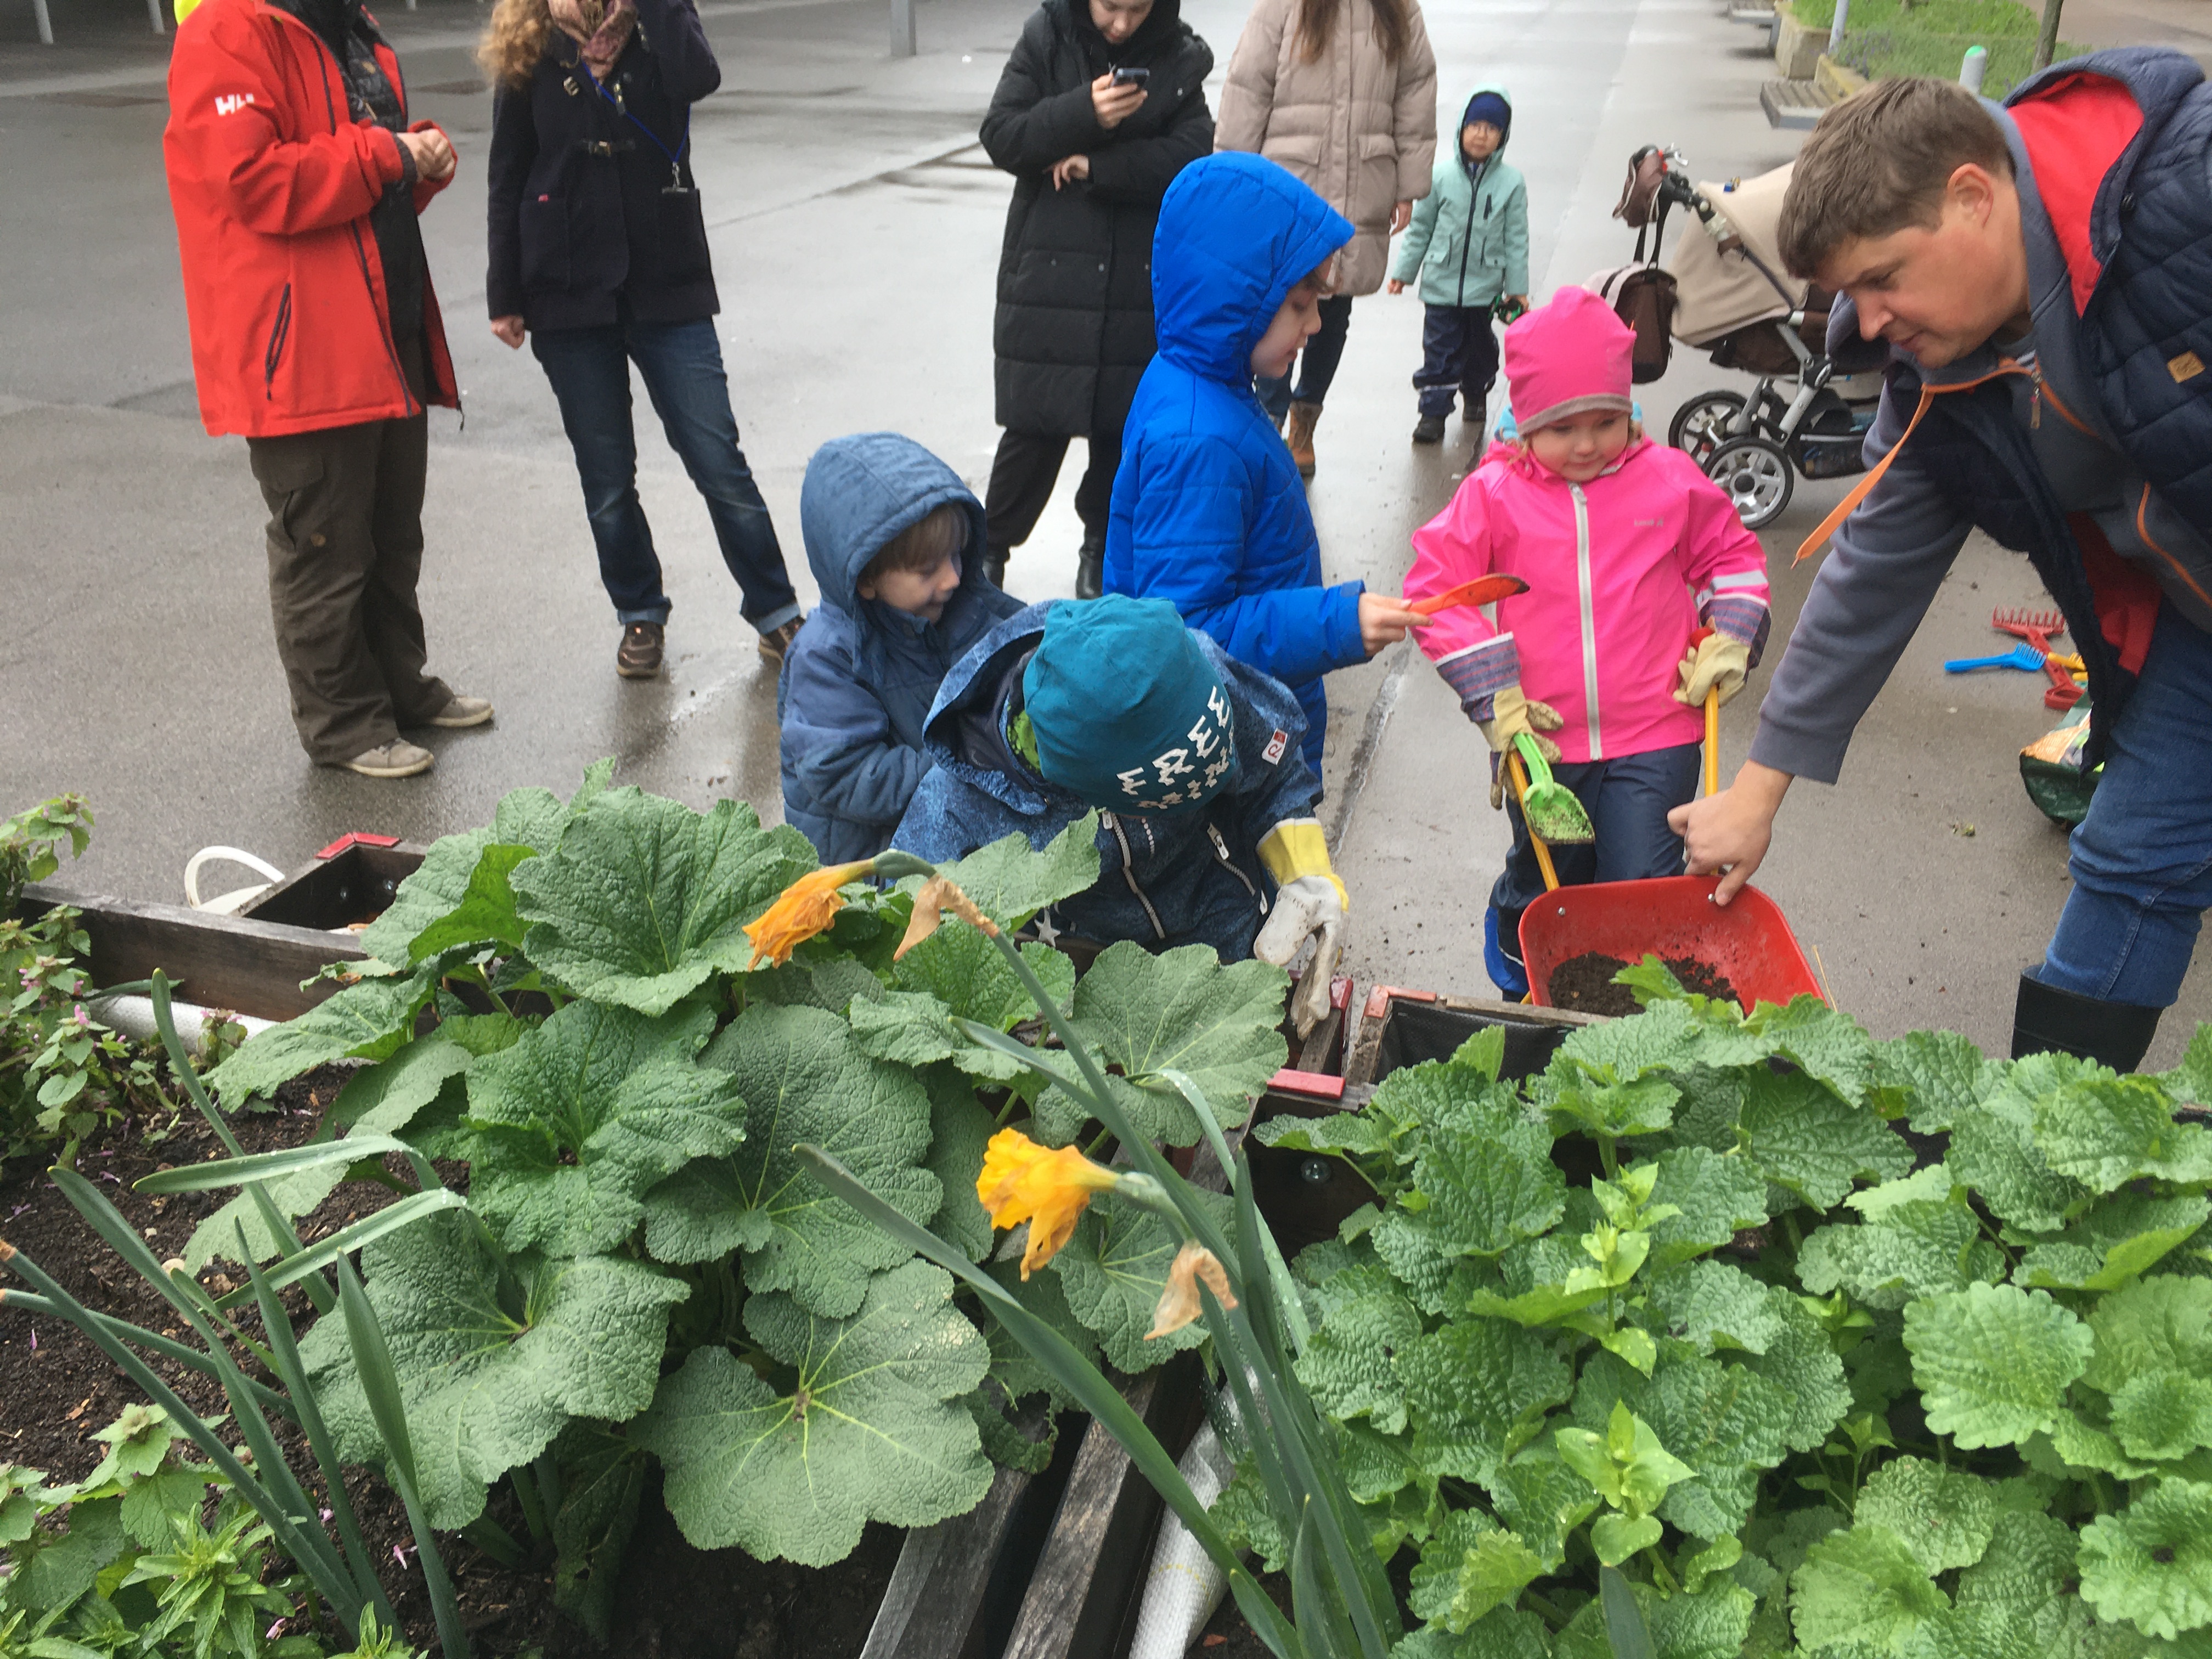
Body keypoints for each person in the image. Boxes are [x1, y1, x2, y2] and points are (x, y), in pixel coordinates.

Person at [1671, 57, 2212, 1071]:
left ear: (1972, 196)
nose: (1869, 323)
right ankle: (2047, 1155)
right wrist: (1758, 788)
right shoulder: (1936, 370)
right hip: (2196, 616)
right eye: (1847, 293)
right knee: (2127, 855)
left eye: (1882, 279)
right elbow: (1872, 565)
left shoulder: (2186, 193)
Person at [1406, 288, 1770, 998]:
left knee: (1641, 881)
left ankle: (1624, 1003)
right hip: (1543, 743)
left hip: (1658, 732)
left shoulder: (1668, 480)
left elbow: (1731, 555)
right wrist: (1492, 693)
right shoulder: (1493, 496)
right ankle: (1524, 973)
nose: (1585, 444)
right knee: (1549, 876)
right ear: (1524, 421)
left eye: (1606, 421)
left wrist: (1730, 635)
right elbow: (1437, 593)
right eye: (1560, 426)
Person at [163, 0, 490, 779]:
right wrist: (387, 156)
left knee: (390, 532)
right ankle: (342, 724)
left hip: (384, 327)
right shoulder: (228, 31)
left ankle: (398, 688)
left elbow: (355, 181)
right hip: (302, 348)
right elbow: (254, 182)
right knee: (323, 547)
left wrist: (416, 165)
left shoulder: (350, 26)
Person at [482, 0, 804, 681]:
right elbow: (508, 172)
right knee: (606, 478)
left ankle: (776, 612)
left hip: (667, 280)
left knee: (717, 457)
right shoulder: (532, 42)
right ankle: (640, 611)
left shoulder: (659, 30)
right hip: (566, 286)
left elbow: (700, 78)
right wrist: (504, 292)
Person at [1104, 154, 1429, 781]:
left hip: (1248, 732)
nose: (1313, 326)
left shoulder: (1205, 382)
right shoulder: (1200, 439)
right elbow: (1189, 635)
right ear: (1238, 301)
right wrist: (1334, 623)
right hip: (1233, 756)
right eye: (1301, 306)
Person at [895, 595, 1350, 1031]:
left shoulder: (1189, 669)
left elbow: (1274, 773)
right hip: (1086, 986)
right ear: (1090, 793)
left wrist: (1307, 874)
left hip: (1224, 930)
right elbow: (907, 941)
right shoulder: (956, 809)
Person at [980, 0, 1216, 600]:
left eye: (1137, 10)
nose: (1120, 24)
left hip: (1134, 285)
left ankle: (1100, 555)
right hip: (1051, 281)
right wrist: (1083, 111)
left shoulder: (1180, 57)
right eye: (1111, 6)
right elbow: (1003, 134)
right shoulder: (1046, 36)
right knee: (1032, 432)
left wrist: (1098, 164)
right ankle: (988, 554)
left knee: (1118, 432)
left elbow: (1191, 155)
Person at [779, 433, 1025, 863]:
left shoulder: (963, 609)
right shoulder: (826, 658)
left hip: (950, 825)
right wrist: (967, 759)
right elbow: (844, 775)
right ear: (866, 580)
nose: (951, 579)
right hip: (873, 861)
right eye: (928, 569)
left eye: (957, 556)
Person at [1215, 0, 1436, 477]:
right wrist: (1232, 176)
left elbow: (1415, 91)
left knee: (1333, 311)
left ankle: (1305, 419)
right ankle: (1267, 416)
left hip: (1362, 182)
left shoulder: (1397, 9)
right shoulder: (1283, 6)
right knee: (1279, 304)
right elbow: (1248, 86)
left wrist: (1408, 185)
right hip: (1292, 180)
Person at [1389, 85, 1528, 445]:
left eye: (1491, 128)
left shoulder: (1511, 183)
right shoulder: (1440, 177)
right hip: (1441, 283)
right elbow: (1421, 228)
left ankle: (1476, 391)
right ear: (1461, 129)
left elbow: (1516, 237)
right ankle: (1433, 413)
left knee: (1480, 349)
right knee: (1440, 349)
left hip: (1485, 288)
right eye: (1475, 125)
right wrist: (1404, 273)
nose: (1481, 134)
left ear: (1503, 136)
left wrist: (1517, 287)